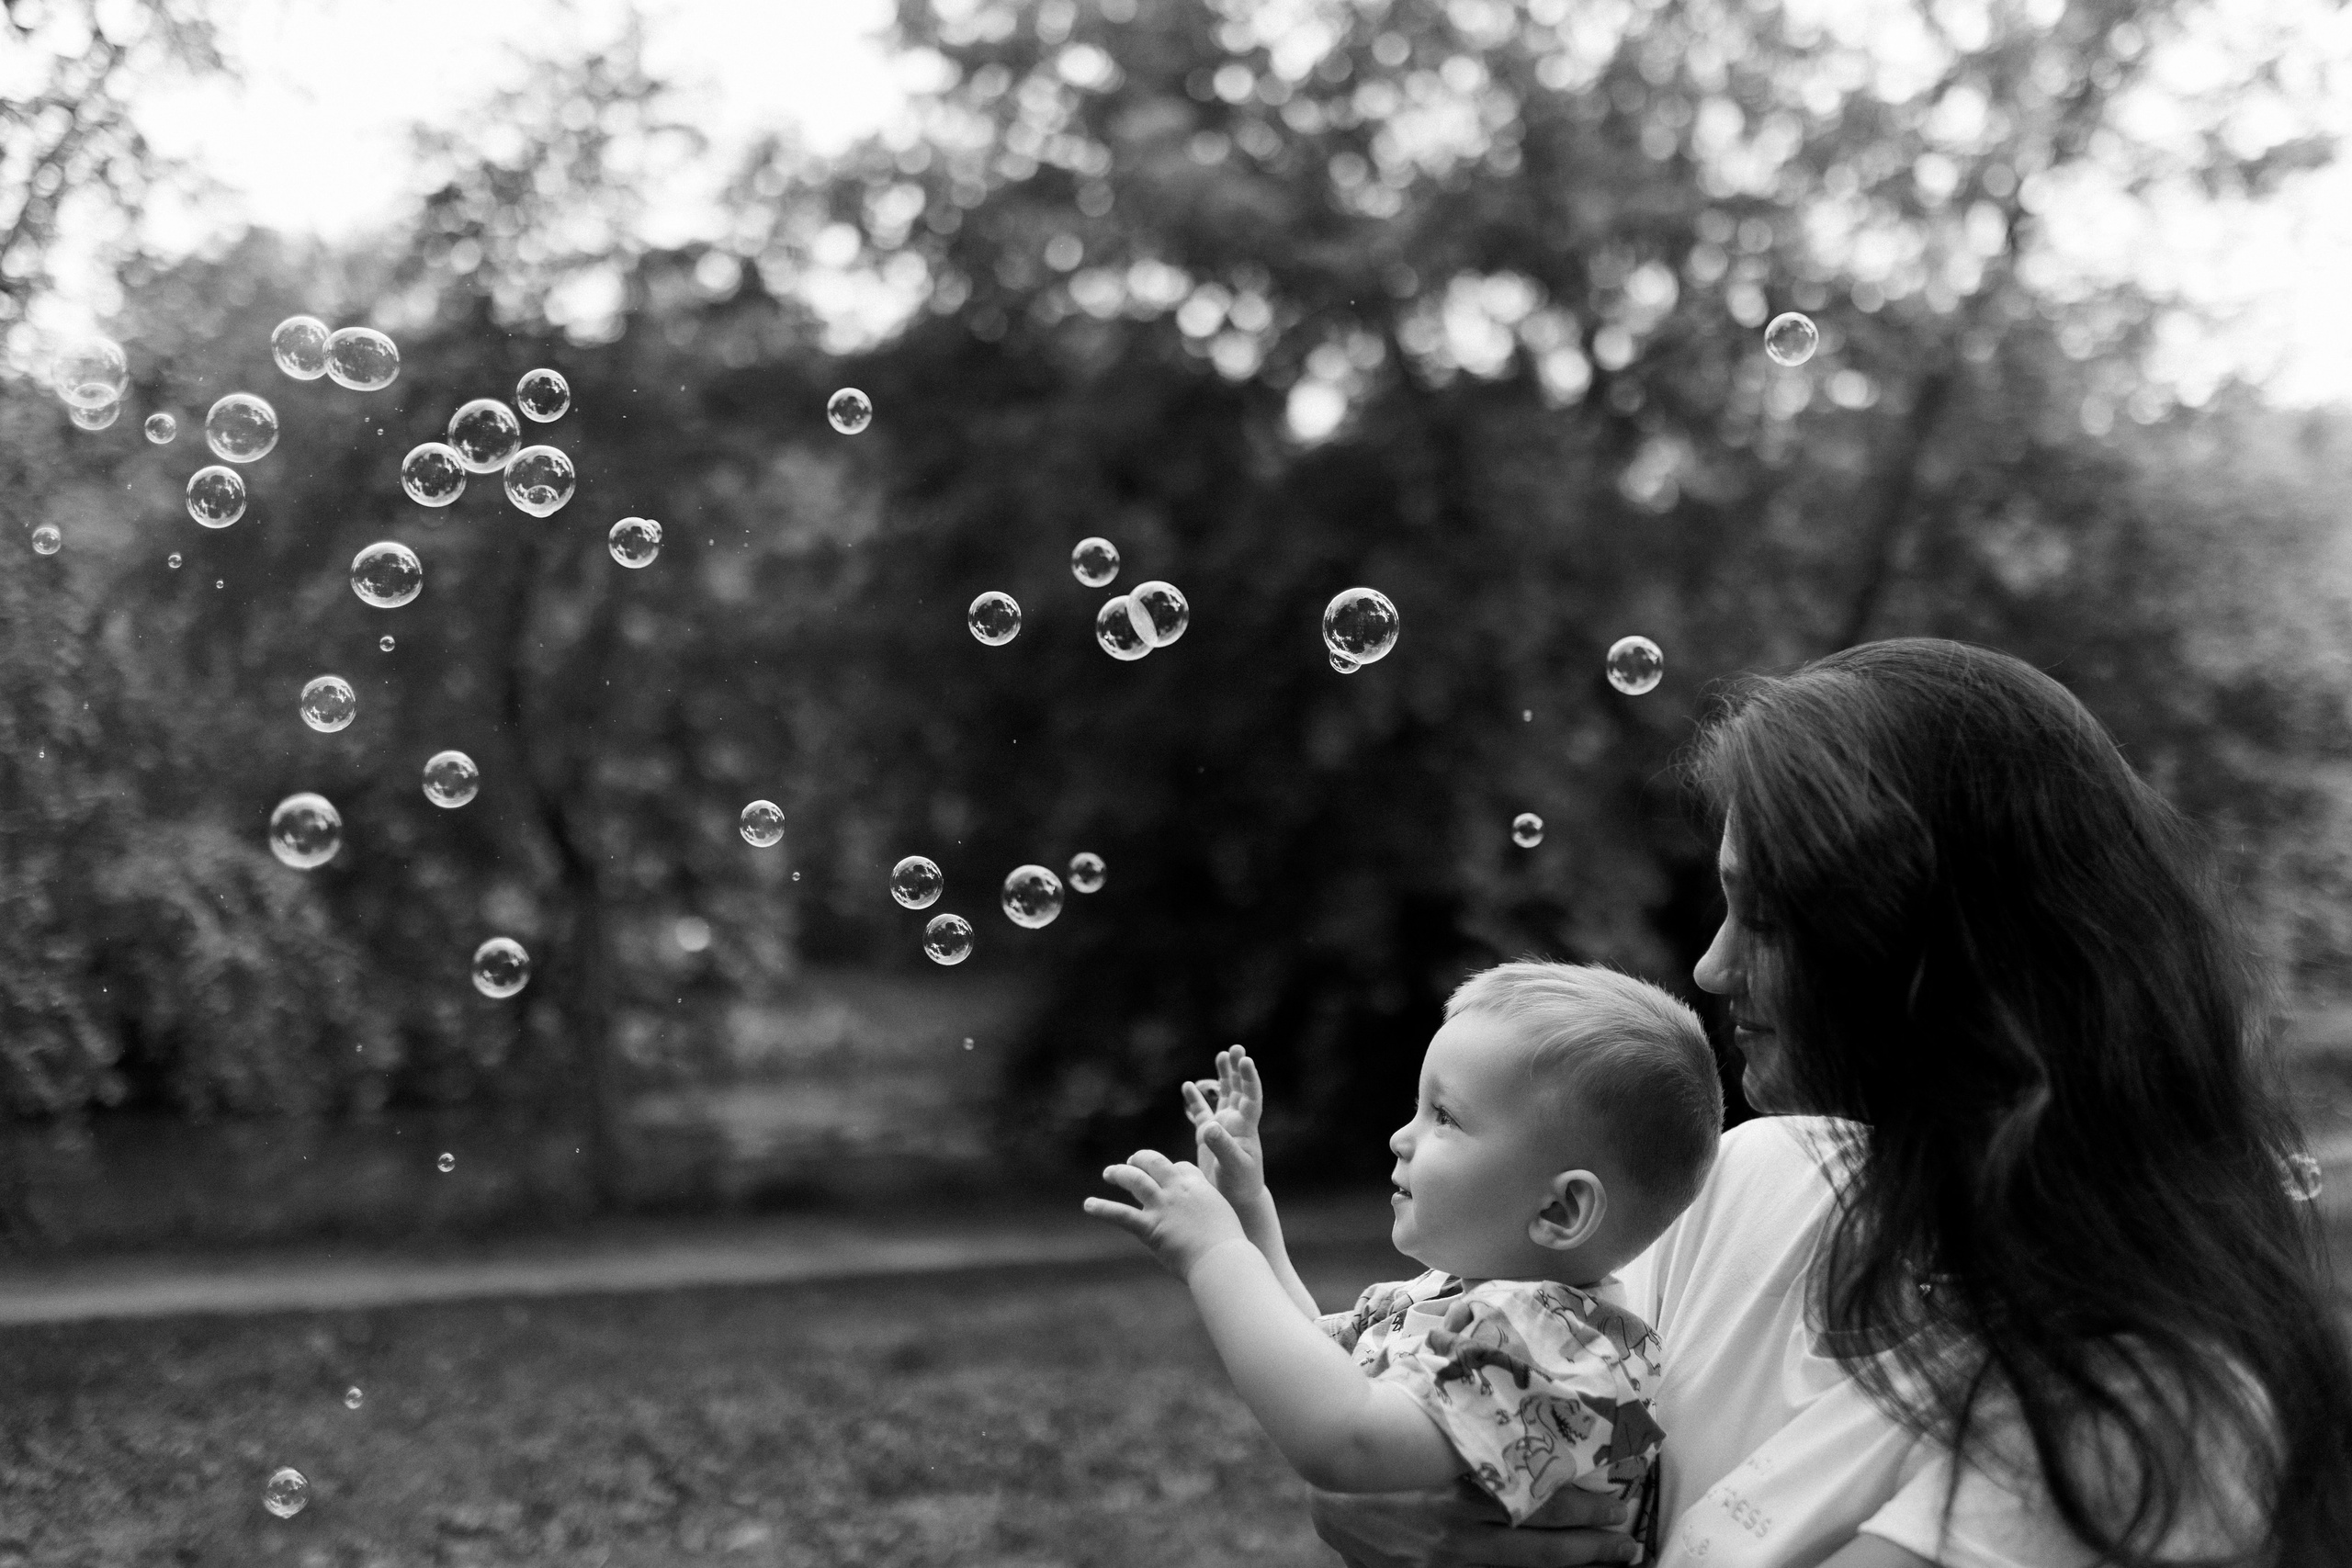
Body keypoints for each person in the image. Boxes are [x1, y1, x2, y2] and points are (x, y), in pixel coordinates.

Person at [1311, 637, 2352, 1566]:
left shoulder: (2141, 1405)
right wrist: (1404, 1505)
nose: (1712, 969)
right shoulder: (1749, 1183)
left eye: (1767, 918)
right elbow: (1457, 1425)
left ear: (1932, 956)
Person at [1083, 963, 1725, 1556]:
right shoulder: (1475, 1301)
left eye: (1444, 1115)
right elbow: (1319, 1365)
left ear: (1559, 1210)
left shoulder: (1555, 1346)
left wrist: (1215, 1252)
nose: (1401, 1136)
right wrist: (1249, 1208)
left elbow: (1347, 1439)